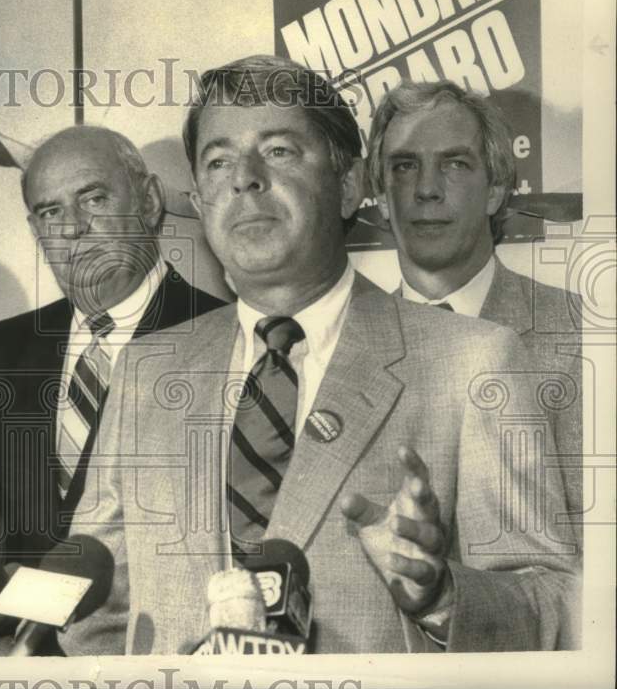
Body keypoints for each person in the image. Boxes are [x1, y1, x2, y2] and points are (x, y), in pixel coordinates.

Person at [60, 56, 579, 655]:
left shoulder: (477, 360)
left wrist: (441, 598)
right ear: (200, 201)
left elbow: (555, 605)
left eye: (278, 151)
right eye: (219, 160)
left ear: (351, 187)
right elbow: (93, 608)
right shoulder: (146, 371)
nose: (244, 180)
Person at [0, 126, 224, 564]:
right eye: (50, 212)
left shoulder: (222, 337)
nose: (71, 228)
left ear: (148, 201)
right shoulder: (3, 351)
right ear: (35, 231)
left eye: (94, 199)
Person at [366, 80, 582, 538]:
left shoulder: (585, 338)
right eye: (405, 166)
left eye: (455, 164)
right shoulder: (344, 347)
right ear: (381, 197)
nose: (426, 189)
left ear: (496, 189)